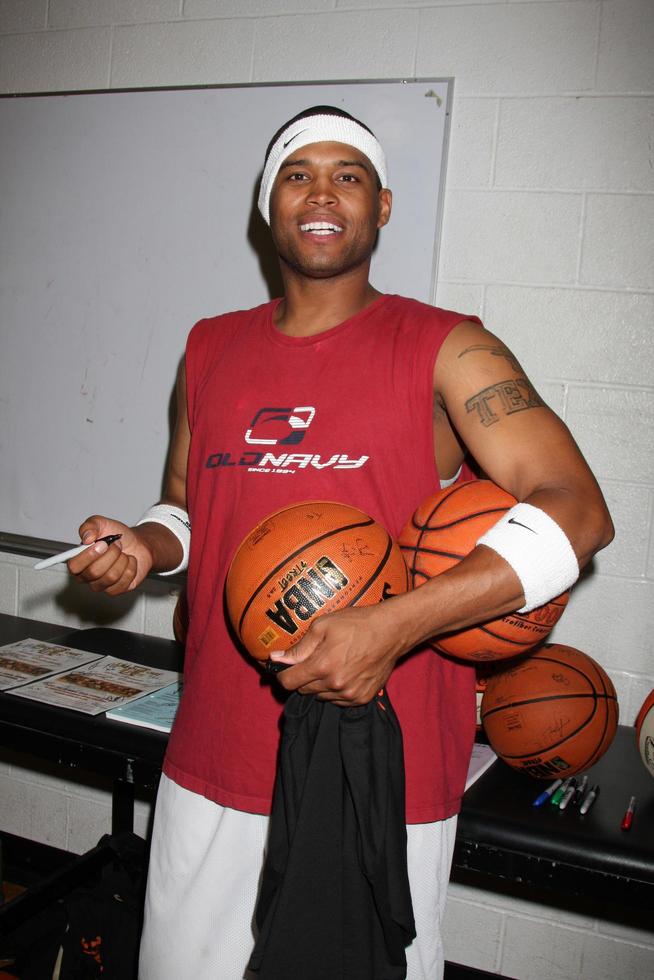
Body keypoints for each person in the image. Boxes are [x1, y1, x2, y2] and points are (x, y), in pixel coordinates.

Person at [69, 105, 613, 979]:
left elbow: (579, 510)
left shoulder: (448, 348)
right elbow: (186, 507)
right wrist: (142, 544)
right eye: (298, 174)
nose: (322, 194)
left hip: (375, 768)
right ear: (266, 204)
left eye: (347, 175)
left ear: (383, 206)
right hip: (213, 750)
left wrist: (395, 625)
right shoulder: (207, 349)